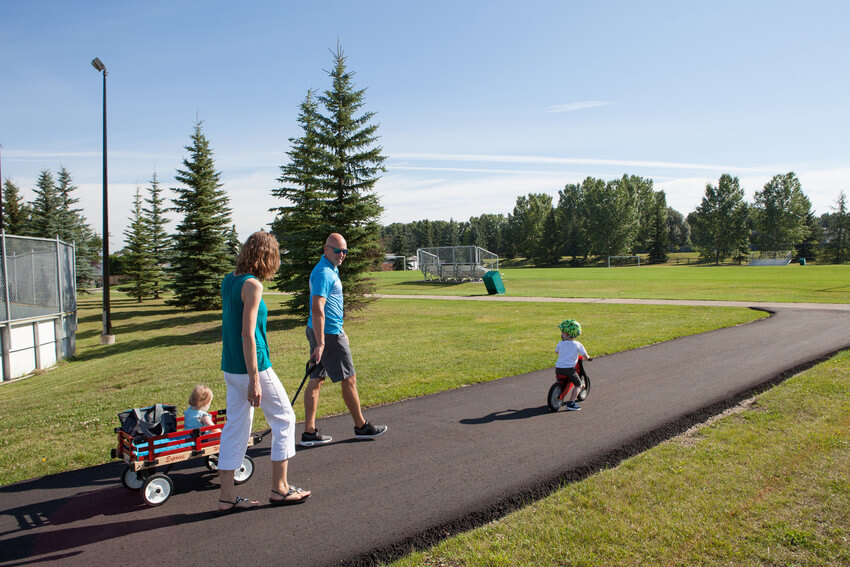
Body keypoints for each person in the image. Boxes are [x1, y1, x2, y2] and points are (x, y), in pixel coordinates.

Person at [218, 231, 311, 512]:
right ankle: (280, 488)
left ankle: (226, 497)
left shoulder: (229, 280)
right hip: (252, 367)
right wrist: (255, 380)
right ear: (267, 257)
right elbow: (248, 334)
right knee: (285, 418)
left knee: (235, 428)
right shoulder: (253, 286)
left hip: (231, 368)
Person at [300, 233, 387, 446]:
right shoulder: (323, 272)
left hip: (324, 330)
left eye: (344, 251)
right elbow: (317, 307)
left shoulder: (330, 269)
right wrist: (322, 342)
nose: (341, 255)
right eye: (337, 250)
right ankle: (362, 427)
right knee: (349, 378)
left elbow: (329, 306)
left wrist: (339, 330)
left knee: (316, 379)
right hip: (327, 334)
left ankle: (309, 433)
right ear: (326, 249)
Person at [555, 319, 592, 411]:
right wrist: (588, 358)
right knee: (578, 385)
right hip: (569, 369)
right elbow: (585, 355)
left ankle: (558, 389)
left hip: (558, 368)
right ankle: (571, 403)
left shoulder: (560, 343)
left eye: (563, 332)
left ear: (567, 334)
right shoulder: (577, 344)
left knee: (560, 381)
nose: (561, 334)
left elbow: (557, 352)